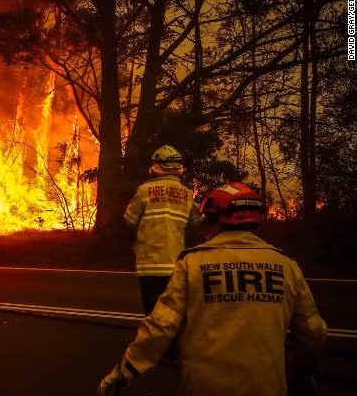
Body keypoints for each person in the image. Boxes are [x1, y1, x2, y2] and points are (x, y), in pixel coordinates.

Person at [98, 182, 328, 396]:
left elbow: (161, 325)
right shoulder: (286, 265)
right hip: (267, 387)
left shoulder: (193, 263)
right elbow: (313, 332)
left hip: (205, 387)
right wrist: (300, 373)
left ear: (215, 219)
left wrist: (123, 372)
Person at [123, 145, 202, 314]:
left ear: (157, 166)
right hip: (176, 265)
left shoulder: (144, 190)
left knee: (153, 315)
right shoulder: (187, 194)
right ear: (178, 167)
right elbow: (197, 222)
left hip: (149, 265)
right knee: (173, 313)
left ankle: (153, 340)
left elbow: (129, 220)